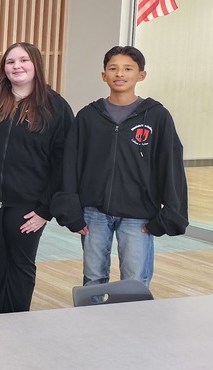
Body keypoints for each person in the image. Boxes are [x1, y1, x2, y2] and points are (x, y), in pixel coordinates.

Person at [53, 46, 188, 286]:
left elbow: (170, 165)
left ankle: (135, 324)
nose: (120, 74)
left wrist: (170, 213)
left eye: (128, 69)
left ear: (141, 75)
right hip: (93, 212)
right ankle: (93, 322)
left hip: (139, 215)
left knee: (135, 282)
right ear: (104, 75)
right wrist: (70, 210)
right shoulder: (88, 116)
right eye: (113, 68)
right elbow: (70, 164)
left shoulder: (157, 116)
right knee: (93, 279)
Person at [0, 42, 74, 314]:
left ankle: (17, 326)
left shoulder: (56, 107)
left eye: (24, 60)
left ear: (36, 64)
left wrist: (45, 210)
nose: (17, 66)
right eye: (10, 61)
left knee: (21, 265)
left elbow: (63, 163)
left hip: (28, 206)